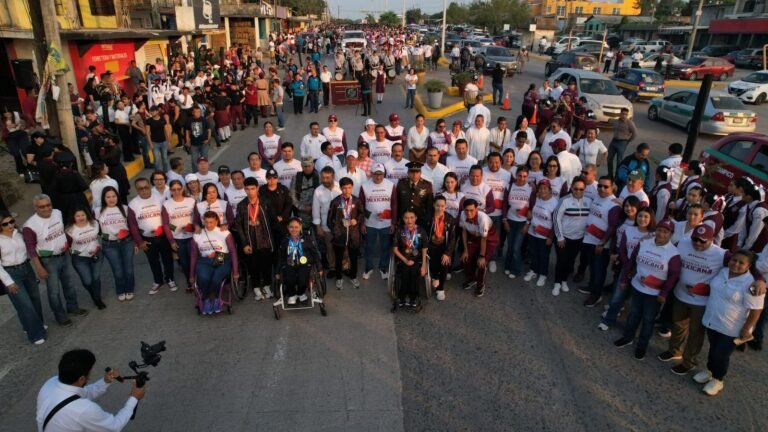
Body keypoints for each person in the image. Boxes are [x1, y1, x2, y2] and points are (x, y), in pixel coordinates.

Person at [695, 250, 764, 396]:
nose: (736, 264)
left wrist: (747, 329)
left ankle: (718, 379)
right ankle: (710, 371)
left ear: (748, 266)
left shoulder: (752, 284)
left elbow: (756, 310)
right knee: (713, 348)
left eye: (741, 263)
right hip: (712, 320)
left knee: (721, 354)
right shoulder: (723, 272)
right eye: (734, 260)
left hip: (732, 328)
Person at [614, 219, 681, 361]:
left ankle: (642, 346)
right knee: (633, 315)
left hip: (654, 295)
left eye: (666, 232)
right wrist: (624, 278)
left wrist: (664, 293)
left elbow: (673, 276)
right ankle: (627, 338)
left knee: (648, 320)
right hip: (637, 287)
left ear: (671, 234)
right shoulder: (644, 243)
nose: (661, 234)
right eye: (659, 230)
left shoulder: (674, 253)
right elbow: (632, 261)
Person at [36, 349, 145, 431]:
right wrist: (134, 398)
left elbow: (82, 393)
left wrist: (105, 381)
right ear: (81, 379)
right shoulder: (84, 410)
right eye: (89, 373)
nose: (89, 377)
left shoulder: (51, 383)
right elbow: (114, 426)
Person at [23, 194, 87, 327]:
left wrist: (69, 245)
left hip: (64, 255)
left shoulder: (57, 213)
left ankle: (73, 307)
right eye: (42, 207)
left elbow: (63, 231)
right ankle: (60, 316)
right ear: (35, 208)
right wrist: (39, 268)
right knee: (54, 291)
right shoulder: (30, 225)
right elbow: (31, 249)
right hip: (48, 261)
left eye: (48, 205)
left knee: (69, 284)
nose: (46, 208)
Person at [599, 206, 656, 331]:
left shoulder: (654, 235)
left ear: (651, 218)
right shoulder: (629, 230)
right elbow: (622, 249)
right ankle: (609, 320)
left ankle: (630, 328)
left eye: (646, 216)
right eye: (640, 216)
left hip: (642, 272)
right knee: (617, 295)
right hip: (626, 267)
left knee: (633, 300)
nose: (642, 219)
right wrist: (627, 266)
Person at [0, 212, 47, 345]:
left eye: (11, 221)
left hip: (26, 268)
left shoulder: (19, 233)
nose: (10, 225)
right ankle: (36, 334)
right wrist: (8, 282)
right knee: (25, 304)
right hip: (11, 273)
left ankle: (35, 324)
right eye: (5, 224)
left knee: (35, 298)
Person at [128, 177, 176, 294]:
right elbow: (133, 226)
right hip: (147, 239)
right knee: (153, 261)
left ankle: (170, 278)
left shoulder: (160, 199)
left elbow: (167, 218)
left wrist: (170, 235)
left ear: (150, 186)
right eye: (140, 189)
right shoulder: (133, 204)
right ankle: (158, 281)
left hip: (162, 236)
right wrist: (140, 242)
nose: (144, 190)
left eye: (146, 187)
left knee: (167, 259)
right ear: (136, 190)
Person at [581, 176, 623, 307]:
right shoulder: (597, 196)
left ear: (612, 187)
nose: (602, 189)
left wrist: (602, 242)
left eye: (606, 186)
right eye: (600, 186)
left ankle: (596, 295)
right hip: (590, 239)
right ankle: (592, 286)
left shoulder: (614, 204)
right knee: (592, 267)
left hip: (601, 245)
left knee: (599, 270)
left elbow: (612, 227)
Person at [233, 177, 275, 301]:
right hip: (250, 239)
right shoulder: (241, 205)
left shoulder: (265, 202)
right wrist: (244, 244)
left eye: (252, 188)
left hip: (265, 239)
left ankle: (267, 285)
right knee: (253, 264)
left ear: (257, 188)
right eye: (247, 189)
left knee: (266, 264)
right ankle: (256, 287)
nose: (250, 192)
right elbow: (239, 226)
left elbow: (272, 220)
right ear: (244, 189)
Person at [190, 211, 239, 314]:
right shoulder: (197, 235)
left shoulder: (224, 232)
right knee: (204, 278)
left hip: (222, 257)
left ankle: (216, 298)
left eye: (211, 222)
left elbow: (233, 251)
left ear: (217, 221)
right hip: (204, 260)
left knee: (216, 279)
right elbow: (193, 255)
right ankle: (206, 299)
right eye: (206, 222)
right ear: (203, 221)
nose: (208, 225)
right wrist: (191, 275)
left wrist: (235, 271)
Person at [552, 178, 591, 296]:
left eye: (581, 189)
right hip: (564, 238)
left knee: (570, 261)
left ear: (585, 189)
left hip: (579, 238)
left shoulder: (589, 201)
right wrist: (559, 237)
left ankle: (564, 280)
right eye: (575, 188)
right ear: (571, 188)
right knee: (561, 260)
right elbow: (556, 218)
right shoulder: (564, 200)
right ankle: (557, 283)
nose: (578, 191)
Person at [359, 163, 396, 280]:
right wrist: (362, 223)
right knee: (369, 247)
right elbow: (361, 206)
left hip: (386, 223)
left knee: (385, 247)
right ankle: (369, 268)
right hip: (370, 224)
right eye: (376, 174)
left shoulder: (391, 185)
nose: (378, 177)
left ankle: (383, 268)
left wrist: (393, 222)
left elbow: (394, 205)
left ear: (384, 174)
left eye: (381, 174)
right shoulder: (365, 186)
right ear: (371, 174)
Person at [327, 177, 365, 289]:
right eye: (344, 188)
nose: (347, 190)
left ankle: (353, 276)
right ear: (340, 188)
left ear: (352, 188)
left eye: (349, 187)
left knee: (353, 258)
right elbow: (329, 220)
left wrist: (356, 220)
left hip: (353, 235)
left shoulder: (357, 201)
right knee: (339, 258)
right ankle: (339, 278)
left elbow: (362, 214)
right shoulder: (335, 202)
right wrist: (336, 230)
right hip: (340, 236)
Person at [65, 208, 106, 310]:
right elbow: (67, 244)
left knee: (96, 279)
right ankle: (93, 293)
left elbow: (103, 233)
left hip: (96, 255)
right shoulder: (69, 229)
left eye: (83, 215)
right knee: (87, 282)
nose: (81, 218)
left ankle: (97, 299)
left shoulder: (94, 223)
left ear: (87, 215)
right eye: (78, 216)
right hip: (80, 259)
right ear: (74, 217)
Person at [277, 217, 322, 304]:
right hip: (289, 263)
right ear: (288, 228)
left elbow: (315, 254)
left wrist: (319, 267)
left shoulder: (307, 239)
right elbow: (281, 257)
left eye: (296, 227)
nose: (294, 229)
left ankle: (301, 293)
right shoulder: (285, 241)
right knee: (289, 277)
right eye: (291, 227)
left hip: (304, 263)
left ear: (300, 227)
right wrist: (277, 271)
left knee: (303, 278)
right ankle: (292, 294)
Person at [460, 199, 500, 297]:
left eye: (471, 210)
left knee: (482, 263)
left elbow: (484, 238)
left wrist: (482, 256)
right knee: (466, 258)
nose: (469, 213)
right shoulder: (462, 214)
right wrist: (465, 250)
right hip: (475, 237)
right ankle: (472, 279)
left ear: (477, 209)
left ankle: (480, 285)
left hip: (489, 239)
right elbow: (464, 232)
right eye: (466, 210)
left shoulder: (483, 219)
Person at [424, 196, 457, 301]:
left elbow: (452, 238)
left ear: (445, 206)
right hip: (430, 246)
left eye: (442, 206)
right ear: (434, 205)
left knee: (444, 263)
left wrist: (448, 253)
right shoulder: (428, 218)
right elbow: (423, 235)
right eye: (437, 205)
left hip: (444, 247)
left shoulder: (450, 219)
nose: (440, 208)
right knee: (432, 262)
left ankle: (440, 288)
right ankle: (435, 276)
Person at [393, 209, 428, 307]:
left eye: (412, 217)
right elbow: (395, 249)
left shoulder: (421, 231)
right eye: (406, 218)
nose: (409, 221)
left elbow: (424, 249)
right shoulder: (399, 230)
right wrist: (405, 260)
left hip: (417, 259)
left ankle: (413, 298)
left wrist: (424, 265)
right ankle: (402, 297)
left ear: (416, 218)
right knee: (404, 270)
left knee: (413, 271)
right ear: (403, 219)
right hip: (402, 258)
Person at [606, 108, 637, 178]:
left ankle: (617, 176)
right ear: (620, 114)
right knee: (609, 158)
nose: (624, 116)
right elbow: (610, 122)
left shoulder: (629, 123)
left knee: (619, 161)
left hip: (622, 142)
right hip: (614, 141)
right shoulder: (616, 121)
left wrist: (628, 141)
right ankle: (610, 175)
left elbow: (634, 133)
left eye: (626, 114)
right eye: (623, 114)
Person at [184, 106, 211, 172]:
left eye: (199, 112)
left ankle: (205, 172)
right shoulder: (189, 120)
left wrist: (208, 139)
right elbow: (187, 132)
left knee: (204, 160)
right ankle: (195, 174)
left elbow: (209, 130)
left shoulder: (203, 119)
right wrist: (187, 141)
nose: (198, 113)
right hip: (194, 144)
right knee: (194, 161)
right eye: (196, 112)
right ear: (193, 113)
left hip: (204, 144)